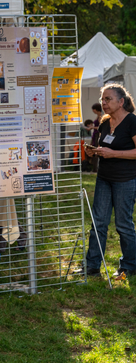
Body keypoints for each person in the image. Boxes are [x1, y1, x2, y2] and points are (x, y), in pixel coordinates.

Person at [82, 83, 136, 281]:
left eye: (108, 99)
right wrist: (93, 152)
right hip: (104, 178)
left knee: (123, 224)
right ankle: (92, 266)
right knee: (98, 223)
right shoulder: (105, 122)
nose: (103, 103)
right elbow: (103, 147)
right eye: (102, 99)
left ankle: (129, 266)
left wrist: (114, 154)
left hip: (125, 180)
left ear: (121, 102)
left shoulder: (132, 122)